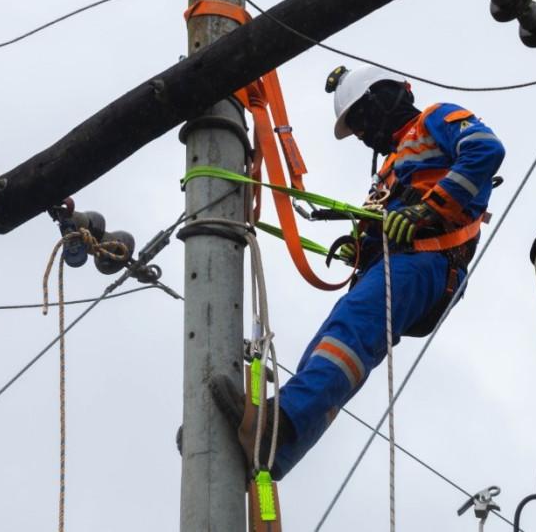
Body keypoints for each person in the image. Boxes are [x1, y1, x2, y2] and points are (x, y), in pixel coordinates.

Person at [212, 65, 506, 479]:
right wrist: (359, 244)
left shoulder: (435, 118)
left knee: (349, 335)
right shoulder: (387, 170)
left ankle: (279, 427)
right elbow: (385, 219)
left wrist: (431, 207)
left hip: (425, 259)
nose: (364, 134)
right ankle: (280, 446)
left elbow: (485, 149)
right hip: (392, 264)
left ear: (386, 98)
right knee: (333, 344)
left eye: (362, 121)